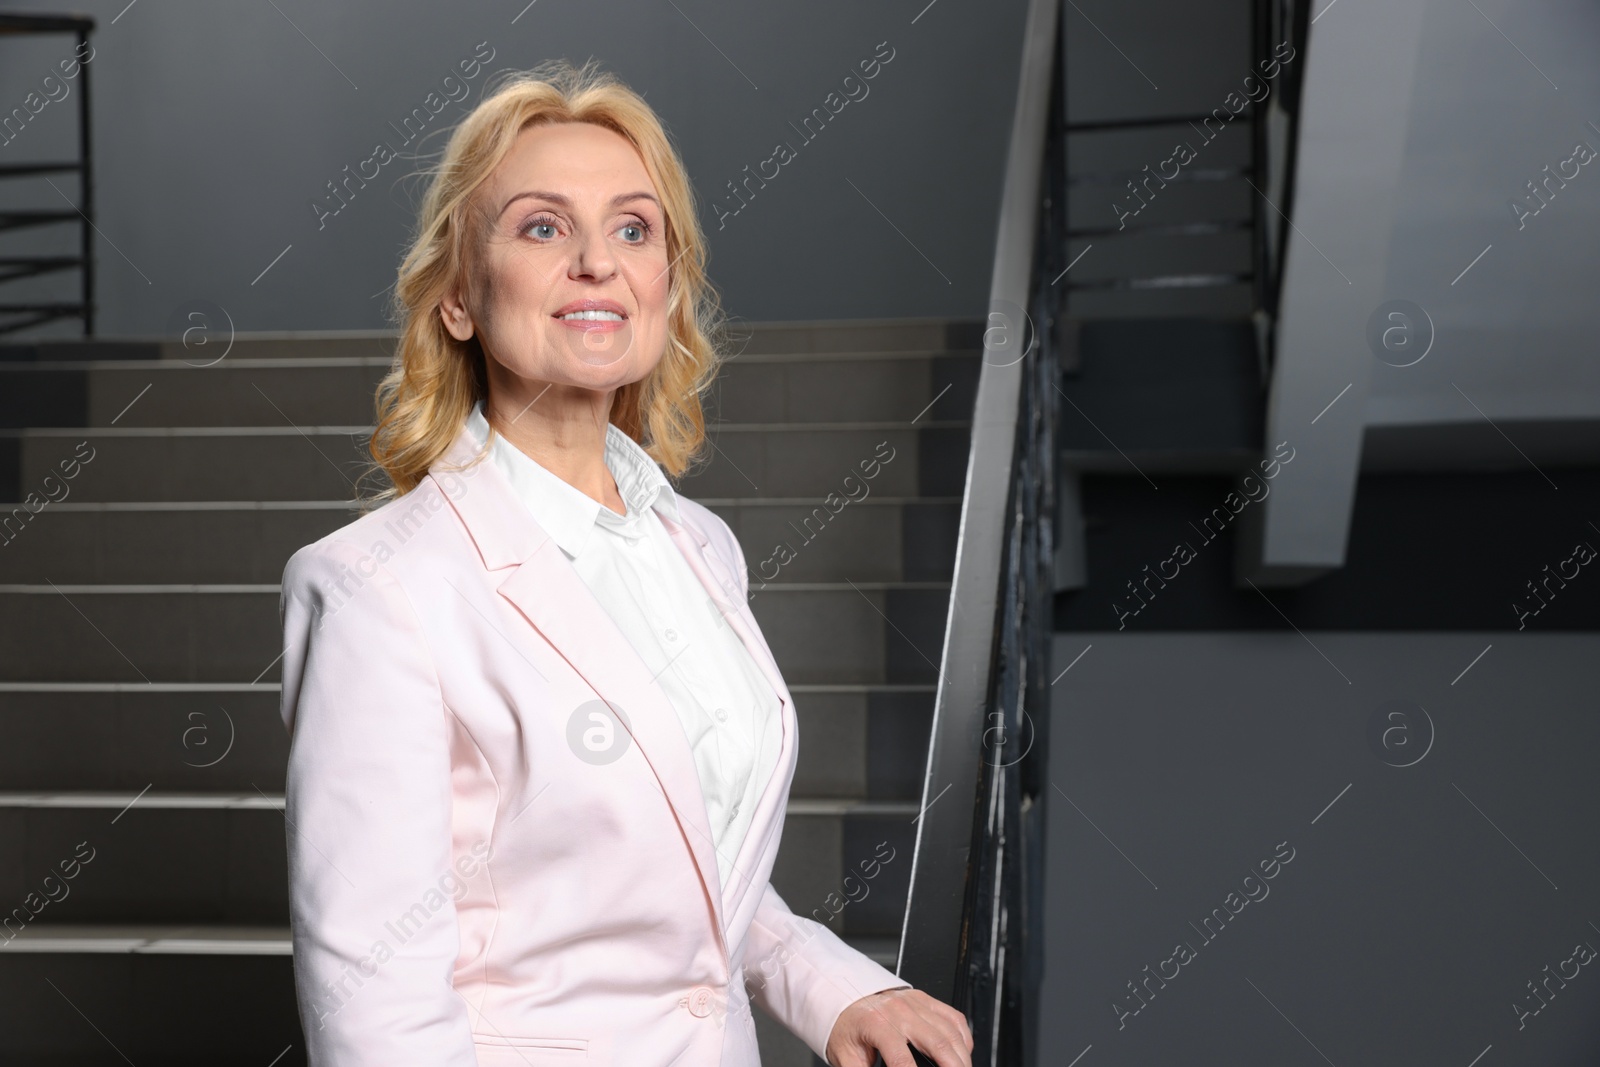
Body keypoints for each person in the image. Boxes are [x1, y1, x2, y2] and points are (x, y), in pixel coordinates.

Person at [277, 59, 974, 1067]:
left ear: (665, 289)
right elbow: (372, 1002)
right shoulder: (376, 589)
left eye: (633, 228)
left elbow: (687, 853)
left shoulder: (694, 544)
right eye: (542, 226)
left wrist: (829, 983)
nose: (597, 260)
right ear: (459, 297)